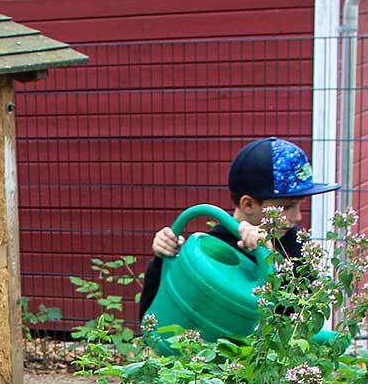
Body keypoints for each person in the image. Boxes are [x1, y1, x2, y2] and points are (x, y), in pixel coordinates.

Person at [138, 137, 339, 321]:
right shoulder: (213, 250)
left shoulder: (294, 243)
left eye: (299, 205)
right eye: (286, 207)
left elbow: (303, 319)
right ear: (248, 204)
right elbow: (153, 318)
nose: (297, 217)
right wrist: (163, 260)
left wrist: (270, 257)